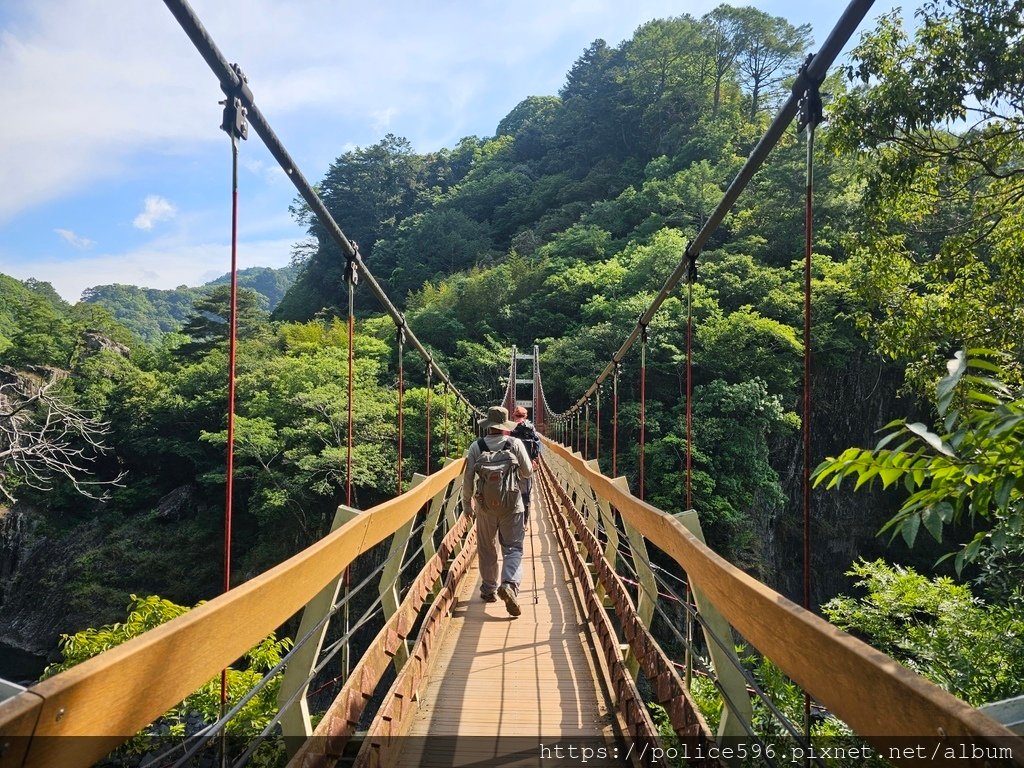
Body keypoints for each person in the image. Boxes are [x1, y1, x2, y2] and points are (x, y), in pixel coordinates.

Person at [462, 405, 532, 616]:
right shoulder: (515, 443)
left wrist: (467, 505)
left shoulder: (477, 446)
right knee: (513, 548)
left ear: (488, 425)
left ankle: (489, 589)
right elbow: (528, 473)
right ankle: (509, 584)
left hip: (484, 507)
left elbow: (467, 480)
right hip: (512, 505)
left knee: (486, 547)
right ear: (505, 425)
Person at [510, 405, 542, 527]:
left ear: (513, 415)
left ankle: (512, 521)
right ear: (526, 416)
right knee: (525, 494)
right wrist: (534, 459)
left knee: (510, 491)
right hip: (527, 464)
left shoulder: (510, 427)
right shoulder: (531, 427)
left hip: (511, 465)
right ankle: (524, 522)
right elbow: (537, 444)